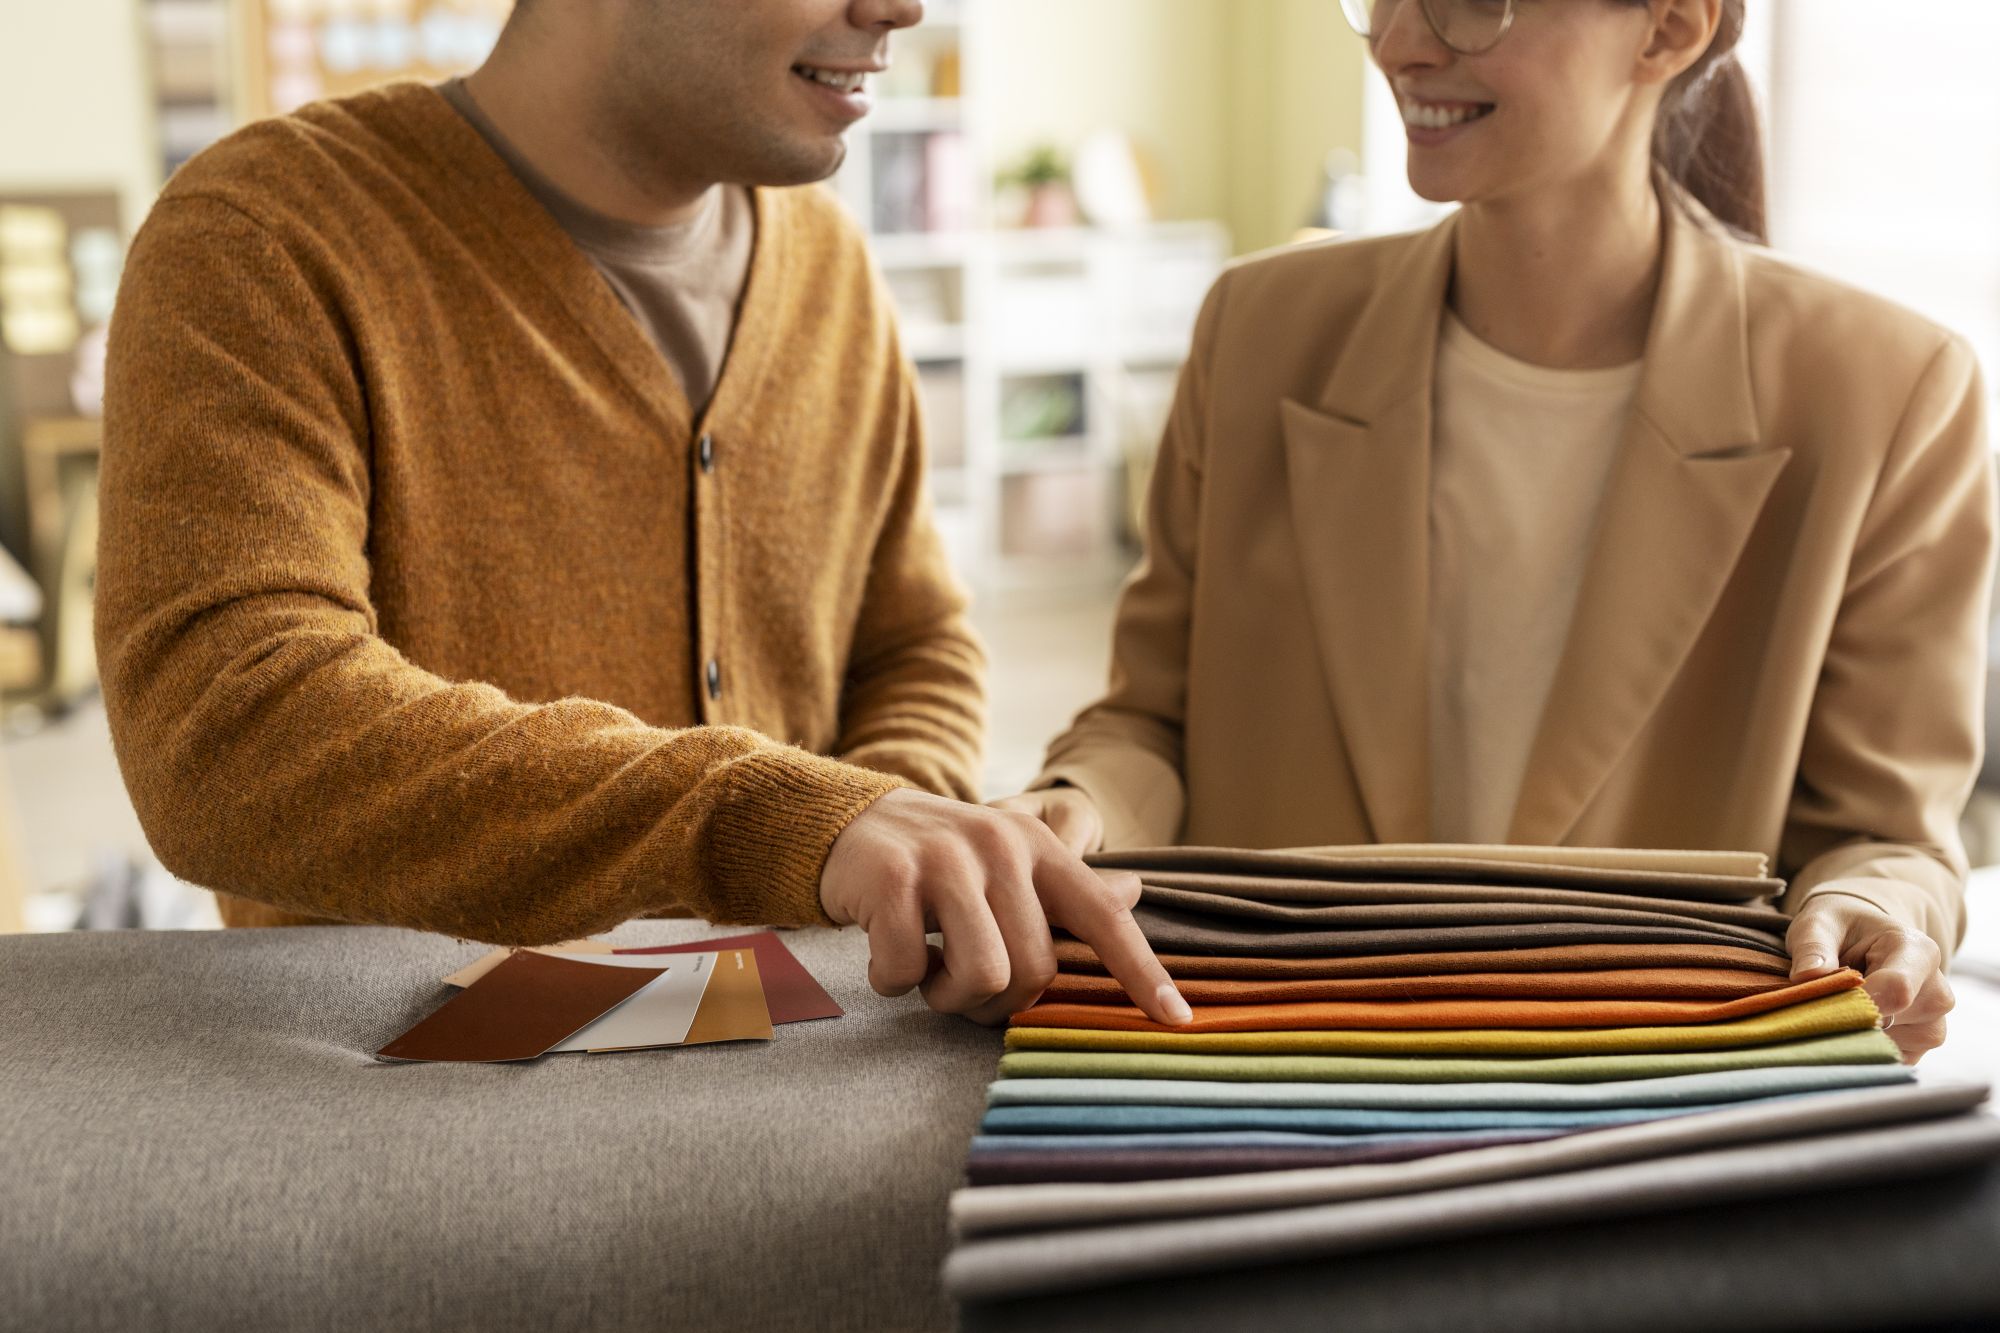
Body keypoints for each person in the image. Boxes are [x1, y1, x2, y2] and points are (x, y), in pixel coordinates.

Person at [94, 0, 1189, 1029]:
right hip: (420, 1099)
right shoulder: (266, 236)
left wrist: (895, 851)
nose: (903, 6)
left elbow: (913, 640)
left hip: (800, 1051)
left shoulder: (832, 269)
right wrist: (779, 821)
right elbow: (227, 721)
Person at [996, 0, 1993, 1061]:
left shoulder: (1887, 391)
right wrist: (1072, 805)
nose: (1395, 42)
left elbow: (1880, 833)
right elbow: (1148, 724)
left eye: (1473, 0)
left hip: (1642, 1082)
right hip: (1276, 1060)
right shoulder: (1256, 332)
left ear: (1666, 30)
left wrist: (1874, 911)